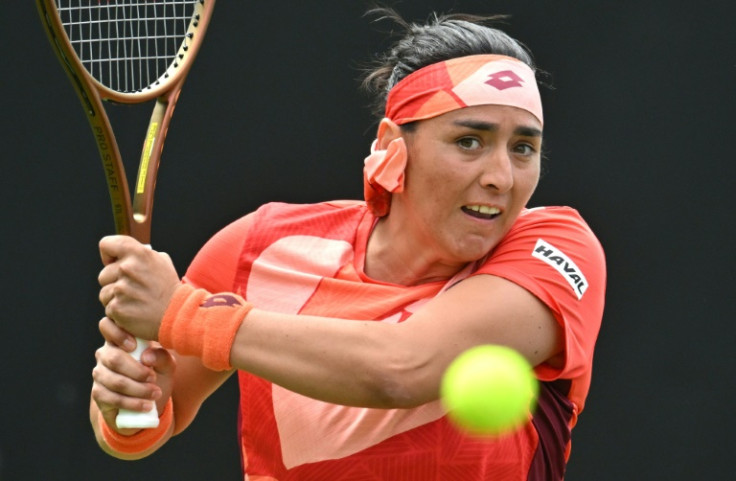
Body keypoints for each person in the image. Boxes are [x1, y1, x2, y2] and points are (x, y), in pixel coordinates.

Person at [91, 8, 606, 480]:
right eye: (468, 141)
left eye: (523, 148)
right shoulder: (258, 246)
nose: (501, 176)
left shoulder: (553, 250)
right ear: (391, 146)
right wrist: (127, 405)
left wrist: (184, 315)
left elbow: (403, 368)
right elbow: (147, 422)